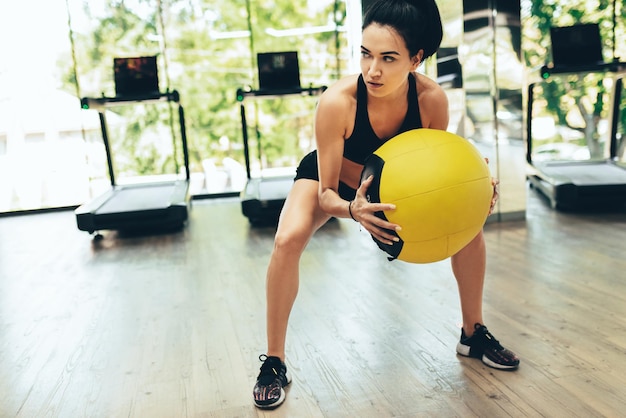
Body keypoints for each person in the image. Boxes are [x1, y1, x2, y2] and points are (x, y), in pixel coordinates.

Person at [252, 0, 519, 410]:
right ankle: (274, 361)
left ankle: (473, 332)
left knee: (469, 228)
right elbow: (325, 195)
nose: (372, 70)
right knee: (287, 240)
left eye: (388, 58)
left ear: (416, 59)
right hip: (337, 176)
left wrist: (477, 187)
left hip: (393, 184)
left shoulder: (431, 101)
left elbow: (438, 171)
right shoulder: (337, 102)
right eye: (365, 54)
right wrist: (352, 209)